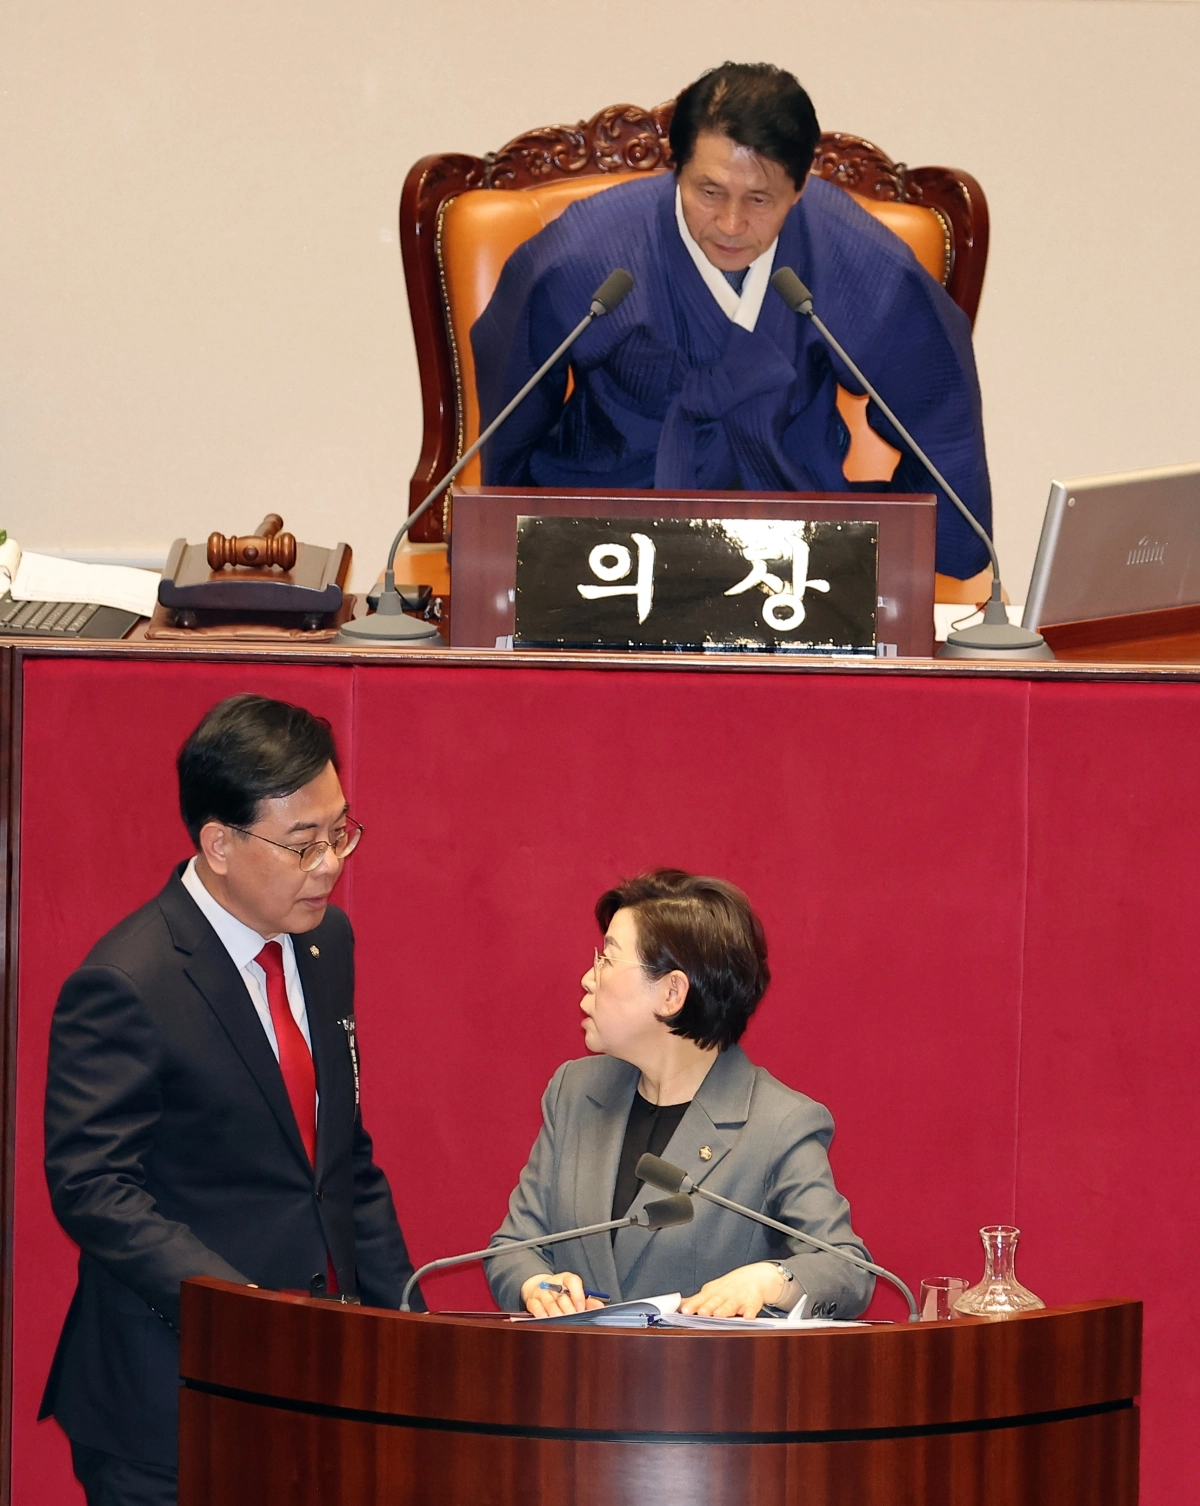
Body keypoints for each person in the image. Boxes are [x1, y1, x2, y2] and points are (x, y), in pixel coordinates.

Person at [40, 694, 423, 1506]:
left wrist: (411, 1330)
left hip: (313, 1386)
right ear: (219, 844)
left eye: (341, 832)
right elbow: (94, 1188)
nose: (331, 864)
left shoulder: (324, 942)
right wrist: (242, 1315)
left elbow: (341, 1161)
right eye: (303, 844)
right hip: (170, 1409)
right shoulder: (127, 981)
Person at [472, 62, 992, 580]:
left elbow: (938, 415)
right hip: (603, 526)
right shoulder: (587, 254)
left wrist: (891, 560)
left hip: (794, 541)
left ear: (800, 187)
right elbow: (511, 406)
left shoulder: (856, 259)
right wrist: (505, 548)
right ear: (677, 168)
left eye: (760, 199)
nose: (731, 224)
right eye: (709, 192)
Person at [486, 869, 873, 1320]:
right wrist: (536, 1285)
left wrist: (771, 1279)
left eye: (607, 959)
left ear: (672, 992)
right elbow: (514, 1247)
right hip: (575, 1365)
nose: (588, 978)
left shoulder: (777, 1124)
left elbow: (848, 1270)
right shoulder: (576, 1092)